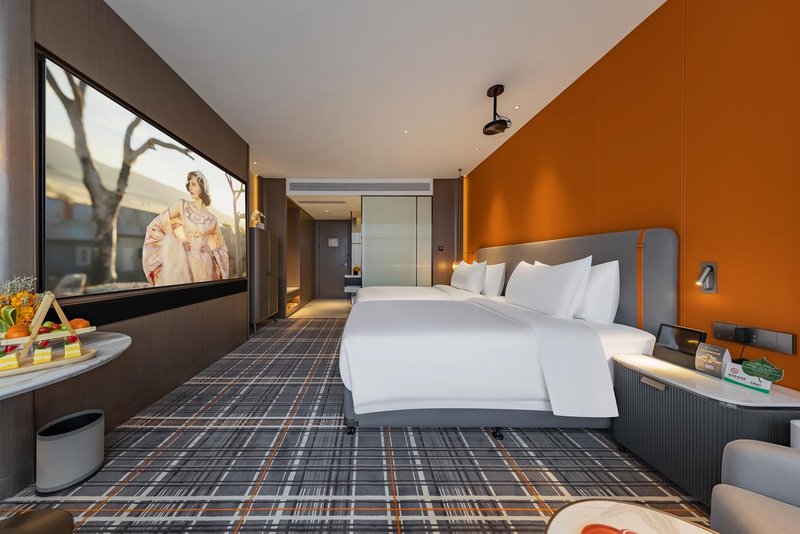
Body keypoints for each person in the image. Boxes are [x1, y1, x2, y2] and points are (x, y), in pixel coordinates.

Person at [142, 171, 229, 285]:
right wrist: (176, 242)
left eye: (194, 184)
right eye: (189, 184)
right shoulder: (182, 205)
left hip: (207, 266)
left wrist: (214, 254)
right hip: (186, 263)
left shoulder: (212, 219)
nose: (190, 188)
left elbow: (223, 247)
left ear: (202, 187)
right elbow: (157, 223)